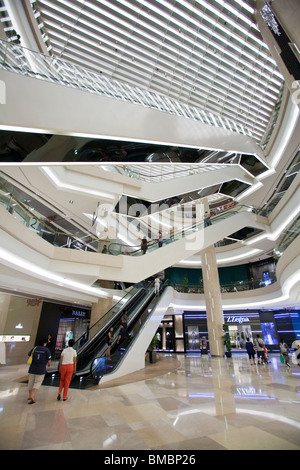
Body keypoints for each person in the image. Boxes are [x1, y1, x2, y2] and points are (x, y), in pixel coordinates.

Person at [27, 338, 51, 404]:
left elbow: (29, 355)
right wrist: (48, 364)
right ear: (44, 343)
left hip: (32, 368)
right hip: (41, 369)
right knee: (37, 382)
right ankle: (32, 396)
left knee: (31, 382)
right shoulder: (46, 350)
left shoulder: (34, 348)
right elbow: (49, 361)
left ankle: (30, 396)